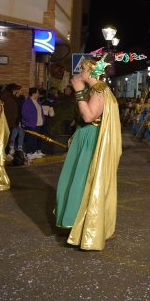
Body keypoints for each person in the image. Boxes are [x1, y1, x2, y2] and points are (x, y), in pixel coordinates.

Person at [54, 55, 122, 251]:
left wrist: (77, 90)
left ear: (91, 71)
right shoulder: (96, 90)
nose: (79, 72)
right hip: (86, 137)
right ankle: (76, 222)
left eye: (82, 69)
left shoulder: (99, 90)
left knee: (82, 181)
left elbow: (89, 115)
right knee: (78, 180)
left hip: (91, 140)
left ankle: (81, 226)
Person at [21, 87, 45, 159]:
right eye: (37, 92)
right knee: (30, 138)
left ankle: (34, 151)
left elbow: (41, 111)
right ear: (34, 93)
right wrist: (30, 120)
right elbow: (24, 113)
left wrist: (43, 119)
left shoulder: (38, 101)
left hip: (38, 123)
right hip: (31, 124)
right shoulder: (27, 102)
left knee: (36, 138)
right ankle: (29, 152)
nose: (38, 94)